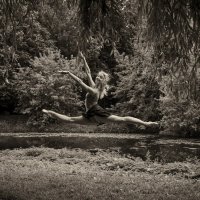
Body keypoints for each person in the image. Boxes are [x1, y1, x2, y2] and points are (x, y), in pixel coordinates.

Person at [42, 52, 158, 127]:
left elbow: (80, 82)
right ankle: (49, 113)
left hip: (96, 112)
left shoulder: (94, 91)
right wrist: (83, 59)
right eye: (97, 75)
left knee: (121, 120)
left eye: (100, 77)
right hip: (90, 114)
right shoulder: (94, 86)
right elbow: (87, 72)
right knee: (70, 120)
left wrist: (69, 73)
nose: (97, 77)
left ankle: (145, 123)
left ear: (103, 81)